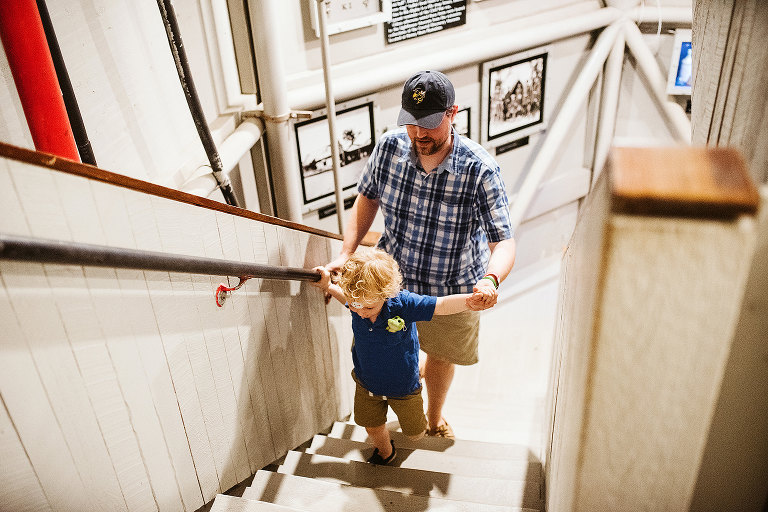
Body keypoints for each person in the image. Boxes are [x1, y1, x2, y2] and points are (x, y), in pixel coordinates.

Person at [326, 70, 516, 438]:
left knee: (441, 355)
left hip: (452, 285)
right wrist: (347, 252)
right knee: (382, 348)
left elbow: (503, 241)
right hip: (389, 284)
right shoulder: (390, 147)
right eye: (411, 123)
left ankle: (434, 417)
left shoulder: (480, 169)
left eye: (428, 124)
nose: (418, 134)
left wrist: (491, 280)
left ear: (452, 113)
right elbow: (367, 197)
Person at [311, 249, 491, 464]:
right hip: (367, 383)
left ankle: (420, 369)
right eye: (355, 305)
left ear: (385, 294)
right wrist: (328, 286)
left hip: (404, 386)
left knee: (415, 433)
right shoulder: (358, 303)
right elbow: (348, 301)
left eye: (369, 307)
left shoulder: (403, 304)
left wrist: (469, 302)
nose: (361, 312)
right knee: (372, 427)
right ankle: (386, 452)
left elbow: (441, 305)